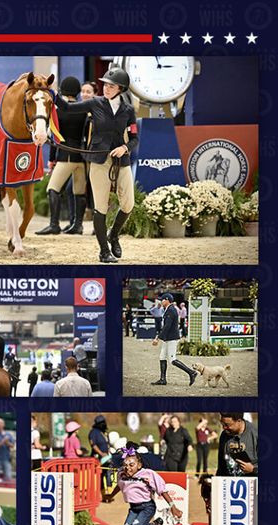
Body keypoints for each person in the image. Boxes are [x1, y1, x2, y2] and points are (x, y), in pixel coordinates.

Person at [53, 67, 138, 263]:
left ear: (121, 88)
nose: (106, 88)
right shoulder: (95, 103)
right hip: (99, 161)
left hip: (121, 161)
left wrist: (125, 148)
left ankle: (113, 235)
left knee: (128, 205)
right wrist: (52, 93)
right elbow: (67, 108)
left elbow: (134, 138)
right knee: (101, 207)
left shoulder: (128, 110)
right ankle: (103, 251)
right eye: (105, 85)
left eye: (111, 86)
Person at [38, 76, 89, 236]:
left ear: (63, 91)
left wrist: (52, 159)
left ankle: (54, 224)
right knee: (79, 192)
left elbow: (55, 137)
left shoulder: (59, 112)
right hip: (82, 157)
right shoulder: (84, 111)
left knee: (53, 189)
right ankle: (78, 225)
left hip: (65, 156)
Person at [107, 451, 183, 525]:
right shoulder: (122, 474)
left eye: (131, 465)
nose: (127, 468)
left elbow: (162, 490)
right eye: (125, 465)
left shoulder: (147, 474)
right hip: (134, 508)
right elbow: (120, 486)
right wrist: (110, 495)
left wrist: (173, 507)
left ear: (139, 465)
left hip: (147, 507)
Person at [151, 293, 197, 385]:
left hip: (171, 338)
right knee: (162, 357)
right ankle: (163, 379)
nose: (161, 301)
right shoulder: (168, 309)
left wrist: (158, 339)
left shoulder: (171, 310)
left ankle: (191, 372)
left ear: (167, 300)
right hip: (167, 338)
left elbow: (167, 326)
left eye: (162, 300)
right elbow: (165, 326)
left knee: (172, 359)